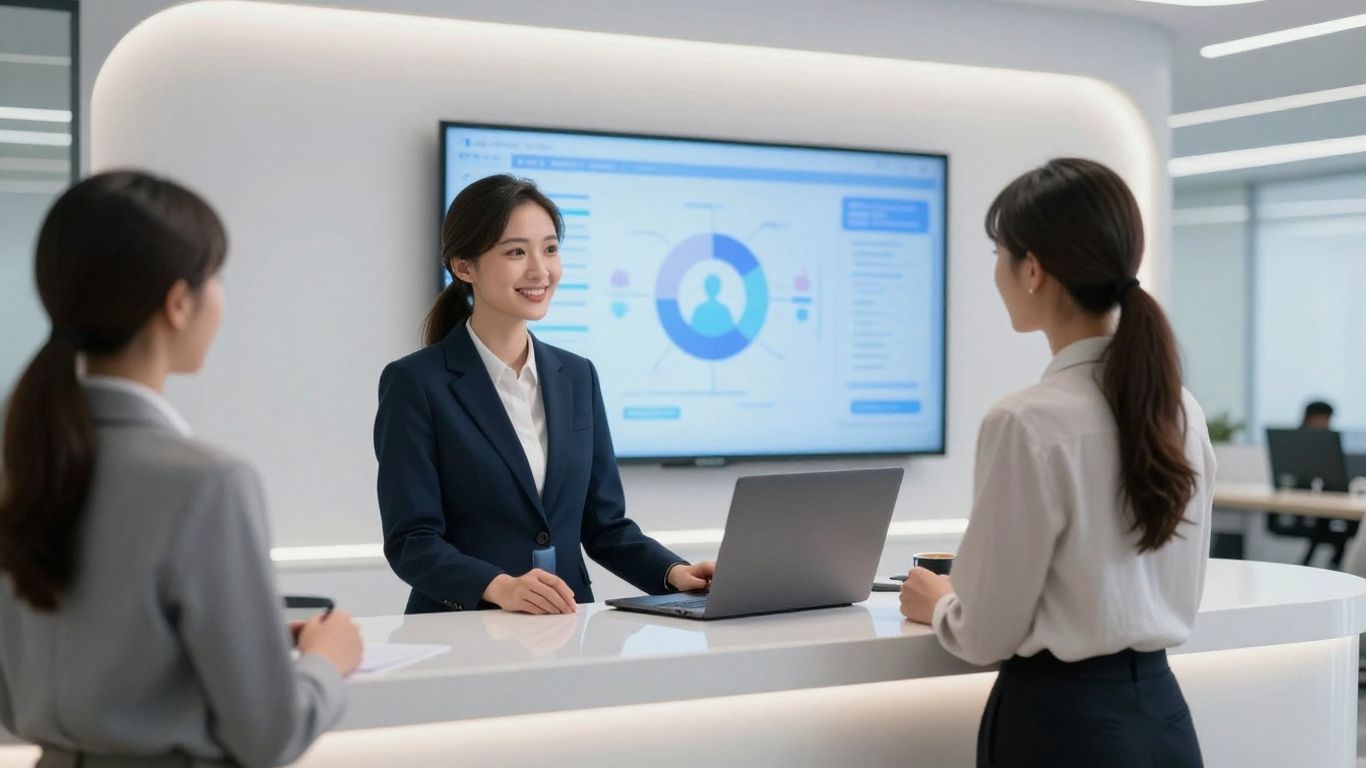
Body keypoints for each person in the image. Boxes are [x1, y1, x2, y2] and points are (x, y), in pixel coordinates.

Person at [0, 171, 363, 768]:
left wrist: (248, 644)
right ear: (177, 302)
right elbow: (269, 735)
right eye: (214, 277)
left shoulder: (23, 460)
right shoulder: (206, 482)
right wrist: (329, 661)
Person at [899, 158, 1215, 767]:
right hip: (1164, 719)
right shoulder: (1182, 410)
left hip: (1062, 731)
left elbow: (986, 632)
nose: (996, 274)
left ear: (1034, 269)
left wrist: (937, 603)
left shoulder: (1027, 422)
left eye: (999, 253)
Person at [375, 174, 714, 615]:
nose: (540, 270)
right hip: (462, 630)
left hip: (570, 628)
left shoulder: (577, 376)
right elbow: (411, 542)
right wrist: (498, 586)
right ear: (463, 266)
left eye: (550, 249)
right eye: (516, 251)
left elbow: (605, 527)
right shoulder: (416, 383)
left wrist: (672, 573)